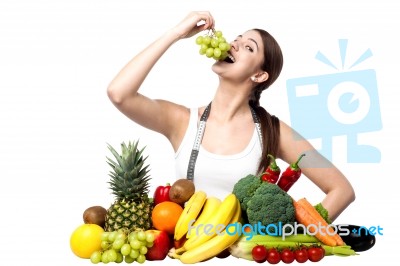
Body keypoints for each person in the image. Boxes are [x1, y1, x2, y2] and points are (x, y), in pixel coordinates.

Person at [107, 11, 355, 221]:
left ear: (259, 75)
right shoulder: (182, 121)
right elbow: (119, 93)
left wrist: (296, 236)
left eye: (249, 47)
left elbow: (341, 190)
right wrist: (176, 34)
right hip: (186, 255)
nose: (233, 44)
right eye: (236, 39)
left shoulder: (273, 131)